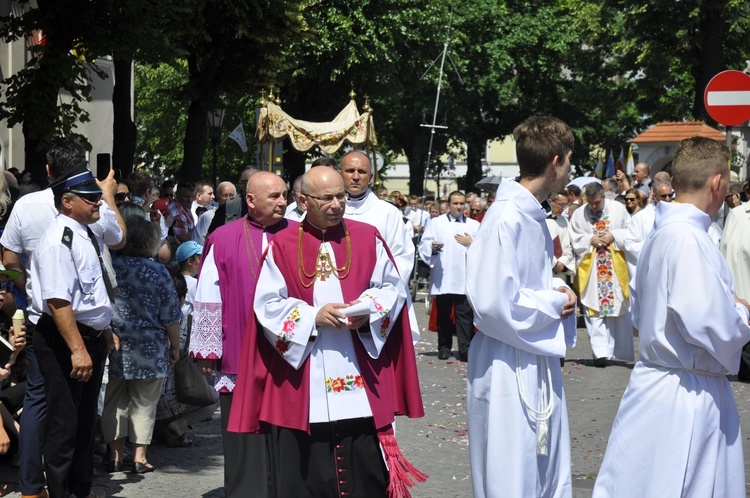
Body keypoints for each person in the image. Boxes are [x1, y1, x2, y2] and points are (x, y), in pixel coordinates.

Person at [227, 167, 425, 498]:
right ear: (303, 200)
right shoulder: (283, 245)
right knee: (307, 473)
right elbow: (267, 306)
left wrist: (370, 310)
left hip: (357, 365)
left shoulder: (367, 237)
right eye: (327, 198)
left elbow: (392, 289)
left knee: (363, 468)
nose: (337, 204)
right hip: (304, 372)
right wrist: (312, 316)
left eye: (341, 196)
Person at [593, 137, 750, 497]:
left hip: (659, 382)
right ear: (716, 183)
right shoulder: (686, 239)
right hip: (685, 394)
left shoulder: (663, 233)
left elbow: (644, 311)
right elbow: (706, 322)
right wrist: (741, 310)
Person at [2, 142, 125, 498]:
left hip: (85, 336)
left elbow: (92, 292)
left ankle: (79, 488)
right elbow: (59, 302)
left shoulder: (83, 230)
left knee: (84, 423)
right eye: (91, 198)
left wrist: (101, 334)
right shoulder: (59, 239)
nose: (98, 202)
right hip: (63, 338)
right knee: (63, 425)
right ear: (67, 200)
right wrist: (78, 350)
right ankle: (60, 491)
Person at [465, 116, 577, 498]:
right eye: (569, 163)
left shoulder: (532, 213)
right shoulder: (506, 217)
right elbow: (493, 303)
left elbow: (528, 283)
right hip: (506, 360)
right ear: (556, 161)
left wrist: (557, 289)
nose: (569, 172)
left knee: (540, 465)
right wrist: (554, 300)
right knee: (510, 468)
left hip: (532, 352)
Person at [190, 171, 289, 498]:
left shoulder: (299, 235)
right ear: (250, 200)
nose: (282, 201)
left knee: (288, 435)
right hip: (240, 351)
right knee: (244, 435)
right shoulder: (223, 238)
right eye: (274, 196)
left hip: (292, 355)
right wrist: (207, 349)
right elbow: (208, 294)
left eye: (284, 195)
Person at [102, 215, 182, 474]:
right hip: (150, 346)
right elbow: (171, 315)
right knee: (144, 402)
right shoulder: (158, 271)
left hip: (113, 343)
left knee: (114, 401)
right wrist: (175, 346)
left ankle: (114, 456)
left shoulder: (110, 266)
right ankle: (139, 457)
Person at [569, 181, 633, 366]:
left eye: (596, 202)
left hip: (614, 264)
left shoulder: (619, 209)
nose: (593, 206)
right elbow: (575, 236)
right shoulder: (581, 213)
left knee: (616, 309)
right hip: (591, 266)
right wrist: (590, 238)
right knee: (594, 309)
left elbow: (630, 231)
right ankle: (600, 354)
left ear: (604, 196)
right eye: (590, 202)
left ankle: (613, 351)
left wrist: (614, 235)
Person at [418, 191, 479, 361]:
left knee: (464, 315)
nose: (459, 207)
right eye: (455, 203)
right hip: (443, 275)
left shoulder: (474, 225)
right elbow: (424, 244)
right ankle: (443, 347)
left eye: (461, 204)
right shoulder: (437, 223)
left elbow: (485, 248)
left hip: (465, 276)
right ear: (449, 204)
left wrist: (472, 244)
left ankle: (465, 349)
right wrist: (433, 247)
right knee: (444, 314)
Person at [341, 151, 415, 288]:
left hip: (378, 292)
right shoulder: (330, 211)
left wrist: (380, 292)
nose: (356, 177)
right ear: (340, 174)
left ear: (370, 177)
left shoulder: (388, 213)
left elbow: (402, 256)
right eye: (350, 171)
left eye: (361, 172)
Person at [622, 180, 672, 281]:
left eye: (670, 195)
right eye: (663, 196)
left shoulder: (677, 214)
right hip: (651, 271)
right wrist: (653, 247)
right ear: (654, 197)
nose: (667, 199)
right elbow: (629, 243)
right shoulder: (641, 217)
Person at [206, 167, 258, 236]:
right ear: (241, 184)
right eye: (250, 182)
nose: (256, 185)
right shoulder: (227, 207)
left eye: (259, 182)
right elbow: (212, 237)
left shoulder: (268, 206)